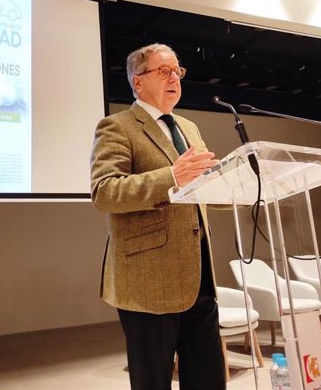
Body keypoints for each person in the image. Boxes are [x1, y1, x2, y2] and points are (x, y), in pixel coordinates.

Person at [90, 43, 226, 390]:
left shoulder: (189, 127)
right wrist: (171, 177)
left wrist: (230, 184)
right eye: (162, 70)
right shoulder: (117, 126)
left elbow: (198, 186)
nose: (174, 78)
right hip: (149, 281)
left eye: (177, 71)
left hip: (198, 277)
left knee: (208, 379)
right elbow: (105, 191)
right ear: (138, 82)